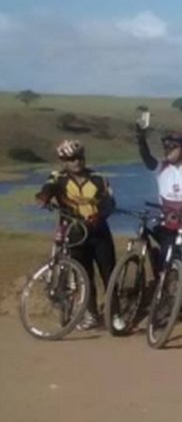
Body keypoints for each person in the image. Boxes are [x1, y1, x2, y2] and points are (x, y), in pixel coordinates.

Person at [34, 139, 117, 330]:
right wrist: (43, 198)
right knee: (84, 276)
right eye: (71, 159)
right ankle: (91, 314)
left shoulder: (99, 178)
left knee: (109, 274)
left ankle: (115, 314)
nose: (76, 162)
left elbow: (110, 202)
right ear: (63, 160)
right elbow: (47, 190)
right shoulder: (57, 177)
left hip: (99, 232)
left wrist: (100, 215)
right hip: (75, 233)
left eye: (79, 158)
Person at [136, 126, 182, 269]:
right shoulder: (161, 168)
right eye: (165, 146)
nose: (167, 149)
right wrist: (141, 139)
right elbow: (147, 158)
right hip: (167, 226)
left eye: (173, 147)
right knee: (165, 264)